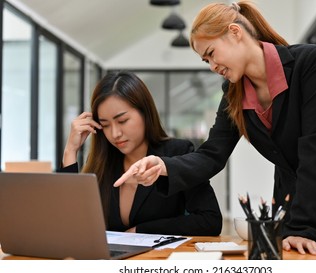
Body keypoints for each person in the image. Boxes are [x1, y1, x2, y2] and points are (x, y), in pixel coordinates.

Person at [114, 1, 316, 259]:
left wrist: (303, 227)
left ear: (234, 32)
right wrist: (164, 166)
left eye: (211, 54)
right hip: (297, 212)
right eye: (205, 61)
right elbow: (212, 154)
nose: (212, 67)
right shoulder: (233, 94)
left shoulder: (309, 63)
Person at [60, 70, 222, 236]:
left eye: (122, 121)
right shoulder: (102, 162)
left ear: (145, 112)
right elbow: (70, 222)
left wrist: (142, 231)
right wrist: (70, 152)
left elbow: (210, 220)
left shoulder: (177, 153)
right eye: (105, 125)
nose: (115, 133)